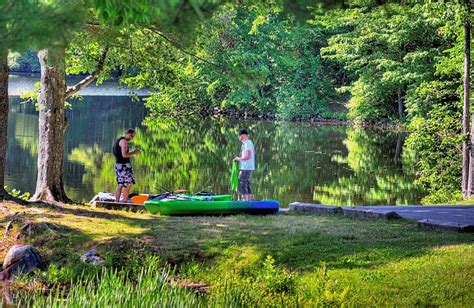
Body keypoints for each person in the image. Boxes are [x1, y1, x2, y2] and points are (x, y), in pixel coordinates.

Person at [113, 128, 140, 202]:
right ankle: (124, 203)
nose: (132, 138)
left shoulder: (118, 140)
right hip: (124, 166)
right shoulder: (124, 142)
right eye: (132, 136)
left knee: (120, 184)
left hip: (118, 165)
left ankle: (117, 202)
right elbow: (124, 155)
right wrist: (134, 152)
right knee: (128, 184)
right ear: (128, 134)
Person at [233, 129, 255, 201]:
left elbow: (248, 156)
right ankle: (249, 201)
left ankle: (245, 201)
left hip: (246, 168)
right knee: (247, 183)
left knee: (241, 182)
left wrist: (238, 159)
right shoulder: (247, 143)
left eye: (239, 136)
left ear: (242, 135)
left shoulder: (247, 143)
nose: (239, 137)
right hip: (247, 167)